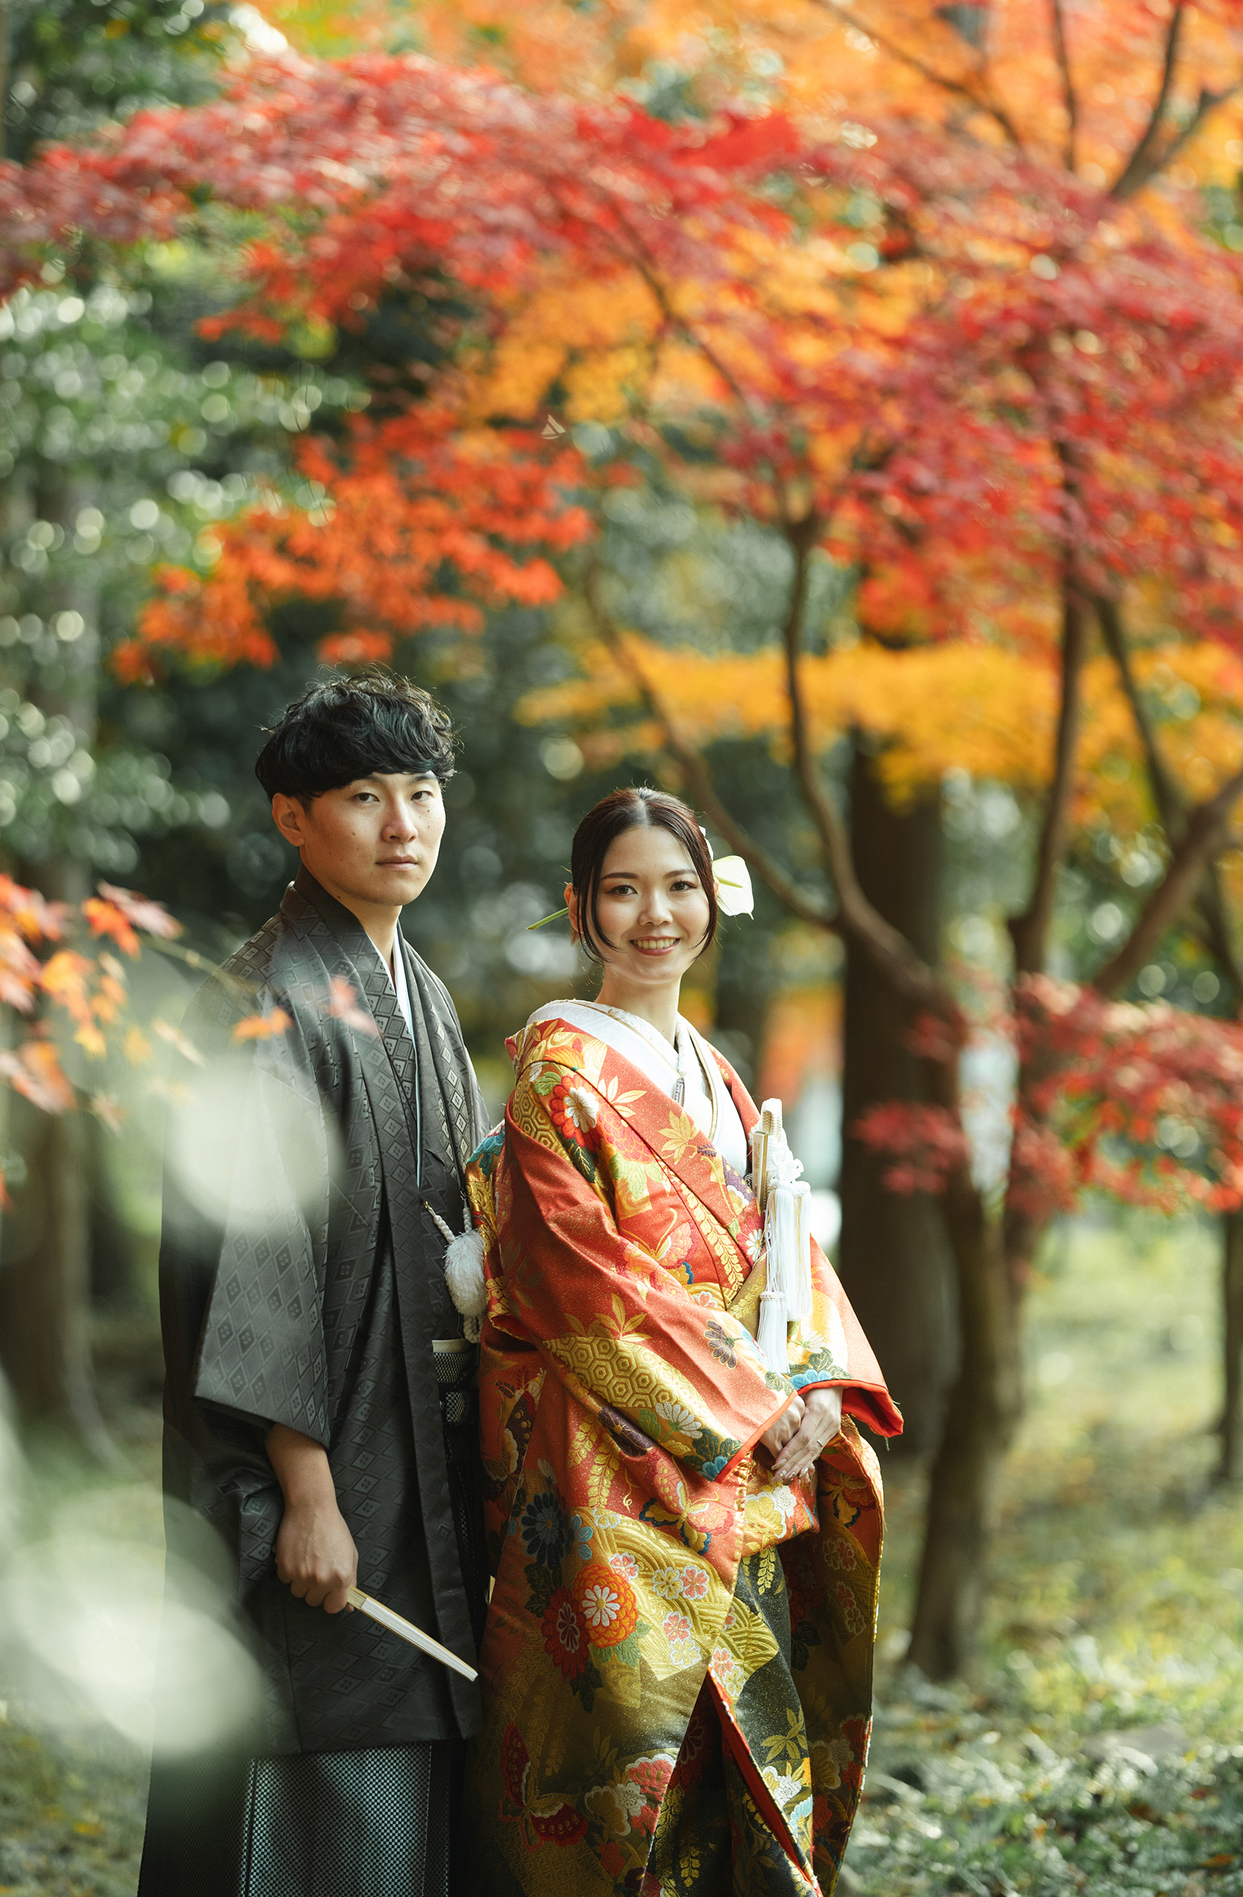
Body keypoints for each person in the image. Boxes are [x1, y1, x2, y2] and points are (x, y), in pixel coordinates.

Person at [462, 787, 902, 1897]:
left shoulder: (717, 1072)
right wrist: (756, 1404)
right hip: (614, 1469)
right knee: (627, 1777)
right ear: (582, 908)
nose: (653, 914)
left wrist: (814, 1386)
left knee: (741, 1764)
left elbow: (788, 1255)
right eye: (622, 891)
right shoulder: (558, 1070)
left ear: (715, 900)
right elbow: (578, 1282)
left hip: (740, 1463)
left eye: (677, 887)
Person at [137, 668, 490, 1897]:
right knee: (320, 1757)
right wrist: (306, 1495)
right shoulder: (259, 1001)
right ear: (294, 818)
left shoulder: (424, 996)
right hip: (321, 1478)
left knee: (419, 1766)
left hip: (425, 1467)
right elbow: (261, 1266)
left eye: (422, 794)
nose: (404, 827)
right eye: (363, 796)